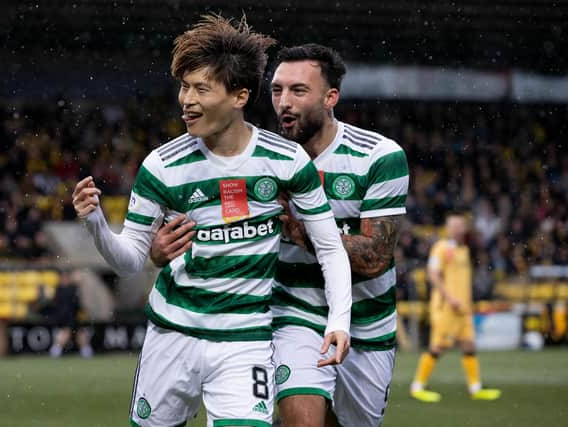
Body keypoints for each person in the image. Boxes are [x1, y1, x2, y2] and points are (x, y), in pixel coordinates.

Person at [72, 16, 352, 427]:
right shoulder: (163, 166)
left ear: (239, 96)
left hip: (245, 341)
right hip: (173, 336)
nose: (187, 99)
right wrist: (95, 222)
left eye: (201, 88)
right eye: (184, 86)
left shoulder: (285, 160)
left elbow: (329, 246)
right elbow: (130, 261)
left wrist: (339, 321)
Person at [152, 44, 409, 427]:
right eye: (277, 90)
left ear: (330, 97)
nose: (284, 102)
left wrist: (297, 227)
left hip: (367, 321)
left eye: (298, 91)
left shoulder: (379, 157)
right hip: (293, 312)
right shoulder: (258, 158)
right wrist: (160, 250)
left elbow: (374, 257)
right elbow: (208, 232)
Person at [410, 212, 501, 402]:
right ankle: (417, 386)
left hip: (464, 308)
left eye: (459, 225)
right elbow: (433, 274)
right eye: (452, 225)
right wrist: (450, 298)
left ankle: (475, 388)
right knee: (437, 347)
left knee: (469, 345)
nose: (456, 228)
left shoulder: (466, 249)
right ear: (448, 227)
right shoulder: (441, 247)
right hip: (447, 307)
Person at [48, 269, 94, 358]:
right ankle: (55, 351)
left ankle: (86, 351)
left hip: (72, 315)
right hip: (68, 315)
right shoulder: (66, 289)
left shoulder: (63, 289)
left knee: (79, 333)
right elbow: (74, 303)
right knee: (67, 332)